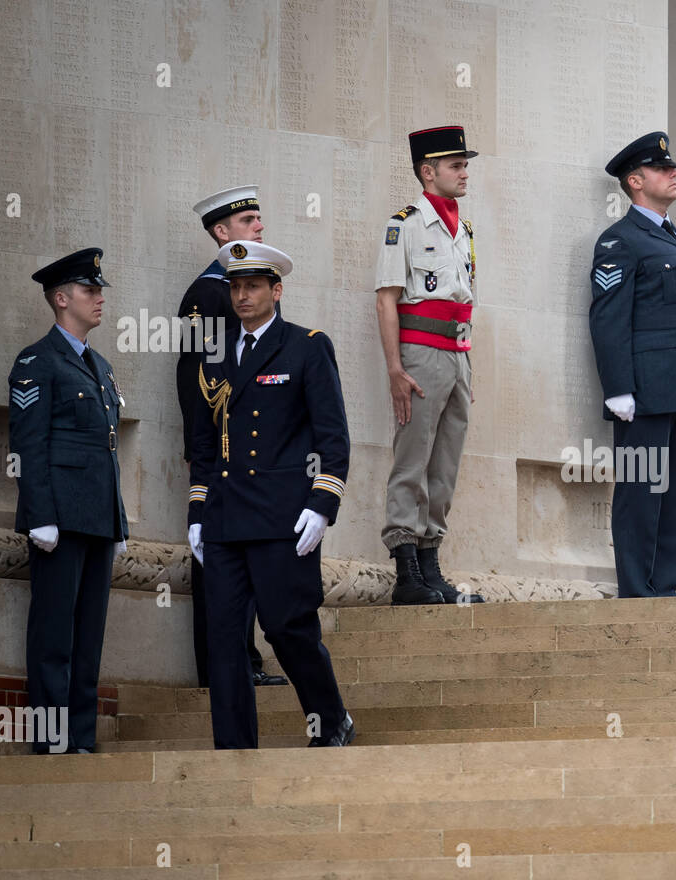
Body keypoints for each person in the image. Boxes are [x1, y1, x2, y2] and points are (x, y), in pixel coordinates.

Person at [187, 241, 354, 748]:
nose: (242, 296)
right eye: (236, 286)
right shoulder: (215, 356)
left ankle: (331, 721)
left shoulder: (306, 346)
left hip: (284, 518)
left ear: (276, 290)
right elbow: (203, 441)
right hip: (224, 519)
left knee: (287, 628)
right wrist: (197, 510)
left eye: (253, 286)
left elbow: (333, 437)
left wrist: (322, 505)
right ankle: (235, 748)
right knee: (223, 639)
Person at [8, 248, 128, 753]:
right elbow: (27, 444)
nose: (99, 298)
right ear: (61, 299)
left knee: (88, 637)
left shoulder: (98, 364)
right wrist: (40, 516)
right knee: (54, 635)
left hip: (97, 518)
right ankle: (52, 741)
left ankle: (80, 738)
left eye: (99, 290)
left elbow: (107, 448)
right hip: (59, 518)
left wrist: (118, 522)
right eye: (88, 290)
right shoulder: (37, 361)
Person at [587, 131, 676, 598]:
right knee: (641, 492)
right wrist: (618, 388)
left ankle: (663, 586)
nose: (673, 173)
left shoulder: (674, 238)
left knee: (673, 493)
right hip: (644, 389)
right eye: (663, 169)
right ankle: (637, 592)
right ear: (636, 181)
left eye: (672, 167)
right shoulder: (620, 241)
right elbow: (608, 319)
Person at [176, 186, 286, 688]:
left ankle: (245, 660)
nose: (259, 226)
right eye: (248, 220)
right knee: (217, 562)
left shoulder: (242, 288)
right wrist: (205, 451)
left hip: (250, 453)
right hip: (220, 452)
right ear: (222, 233)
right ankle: (225, 668)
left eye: (259, 218)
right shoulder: (207, 294)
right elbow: (201, 380)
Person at [373, 125, 484, 605]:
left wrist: (466, 364)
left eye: (465, 165)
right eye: (455, 166)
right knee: (412, 459)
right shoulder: (405, 224)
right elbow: (386, 300)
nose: (464, 173)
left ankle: (431, 563)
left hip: (458, 356)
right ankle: (405, 572)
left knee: (446, 464)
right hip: (420, 355)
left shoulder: (464, 227)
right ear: (427, 170)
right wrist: (395, 368)